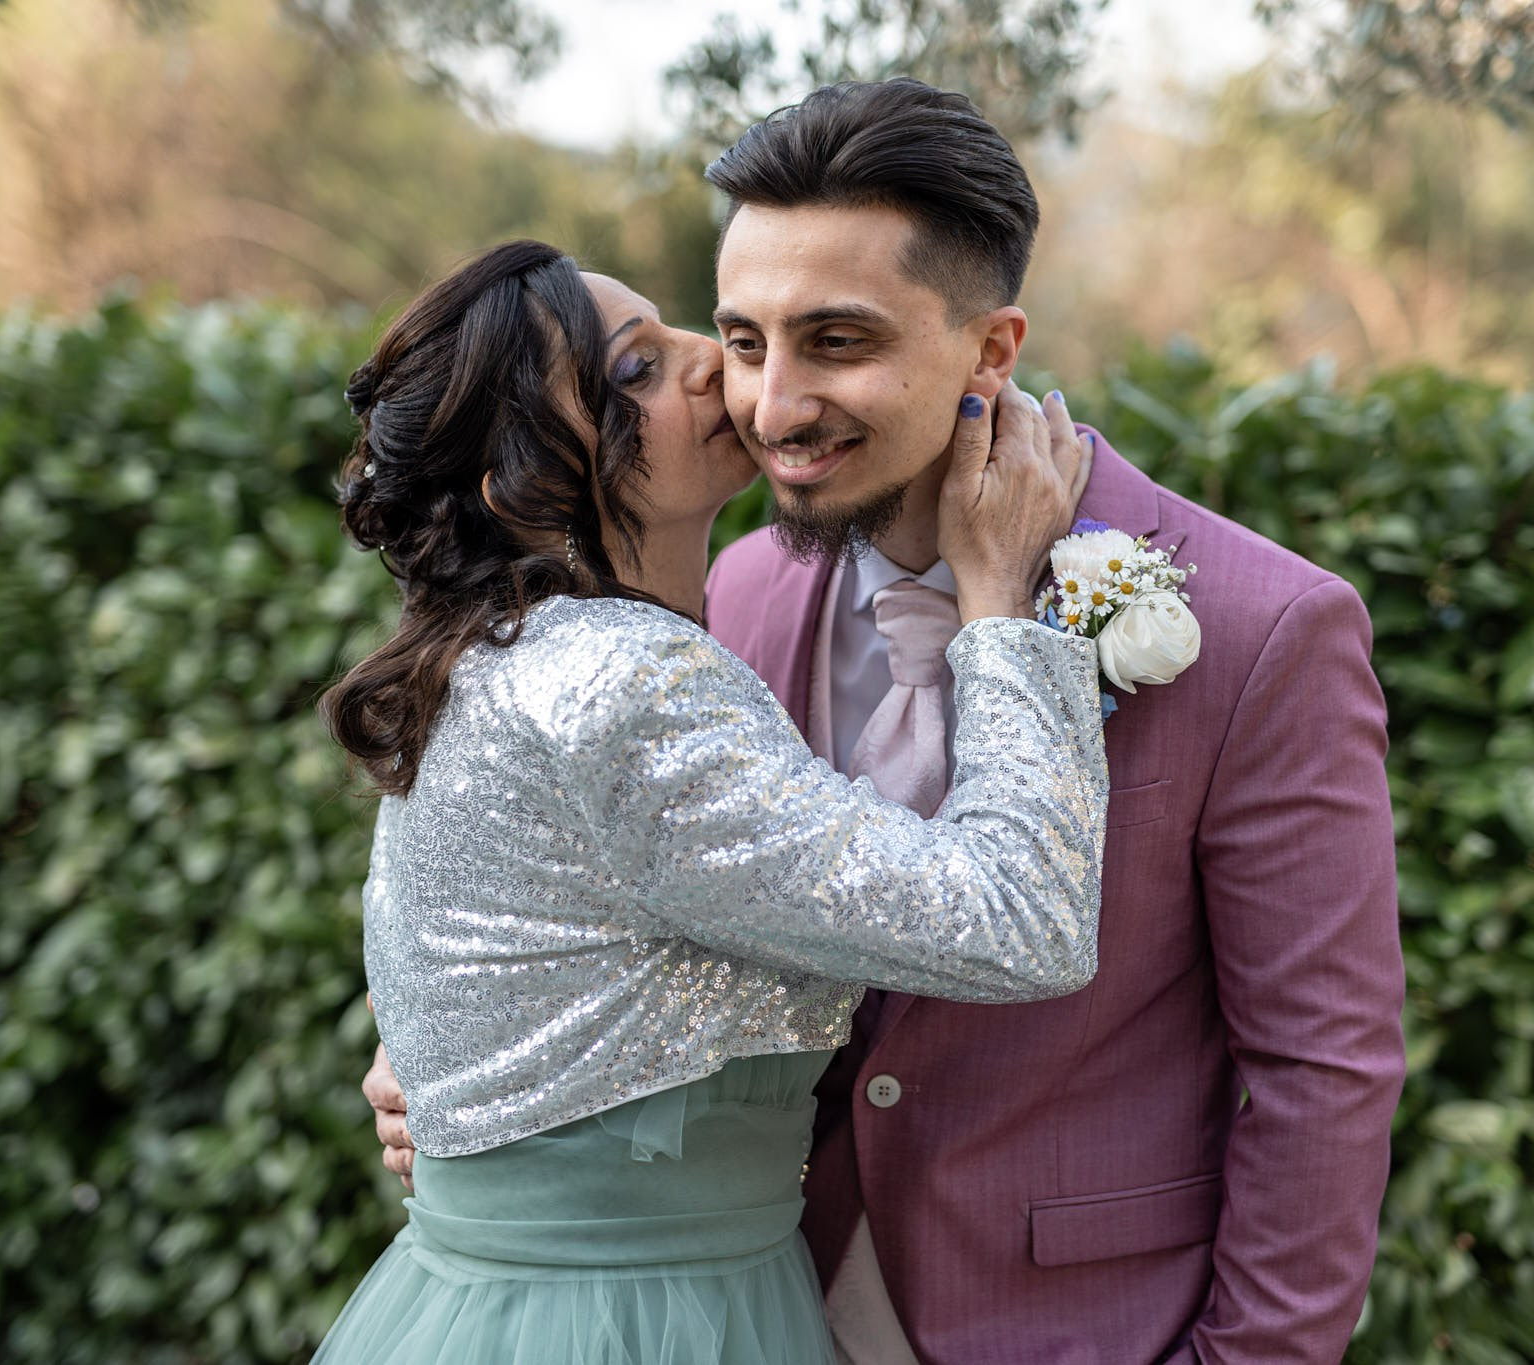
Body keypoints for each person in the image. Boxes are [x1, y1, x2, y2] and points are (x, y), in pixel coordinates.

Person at [374, 80, 1406, 1363]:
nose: (771, 405)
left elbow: (1323, 1070)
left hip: (1078, 1330)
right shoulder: (731, 592)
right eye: (742, 340)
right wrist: (467, 1059)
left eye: (836, 342)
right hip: (750, 1306)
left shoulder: (1265, 627)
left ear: (991, 350)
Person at [315, 237, 1106, 1365]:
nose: (715, 363)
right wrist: (998, 606)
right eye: (638, 368)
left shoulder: (498, 657)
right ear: (519, 483)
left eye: (689, 326)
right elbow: (1020, 922)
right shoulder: (620, 681)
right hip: (629, 1325)